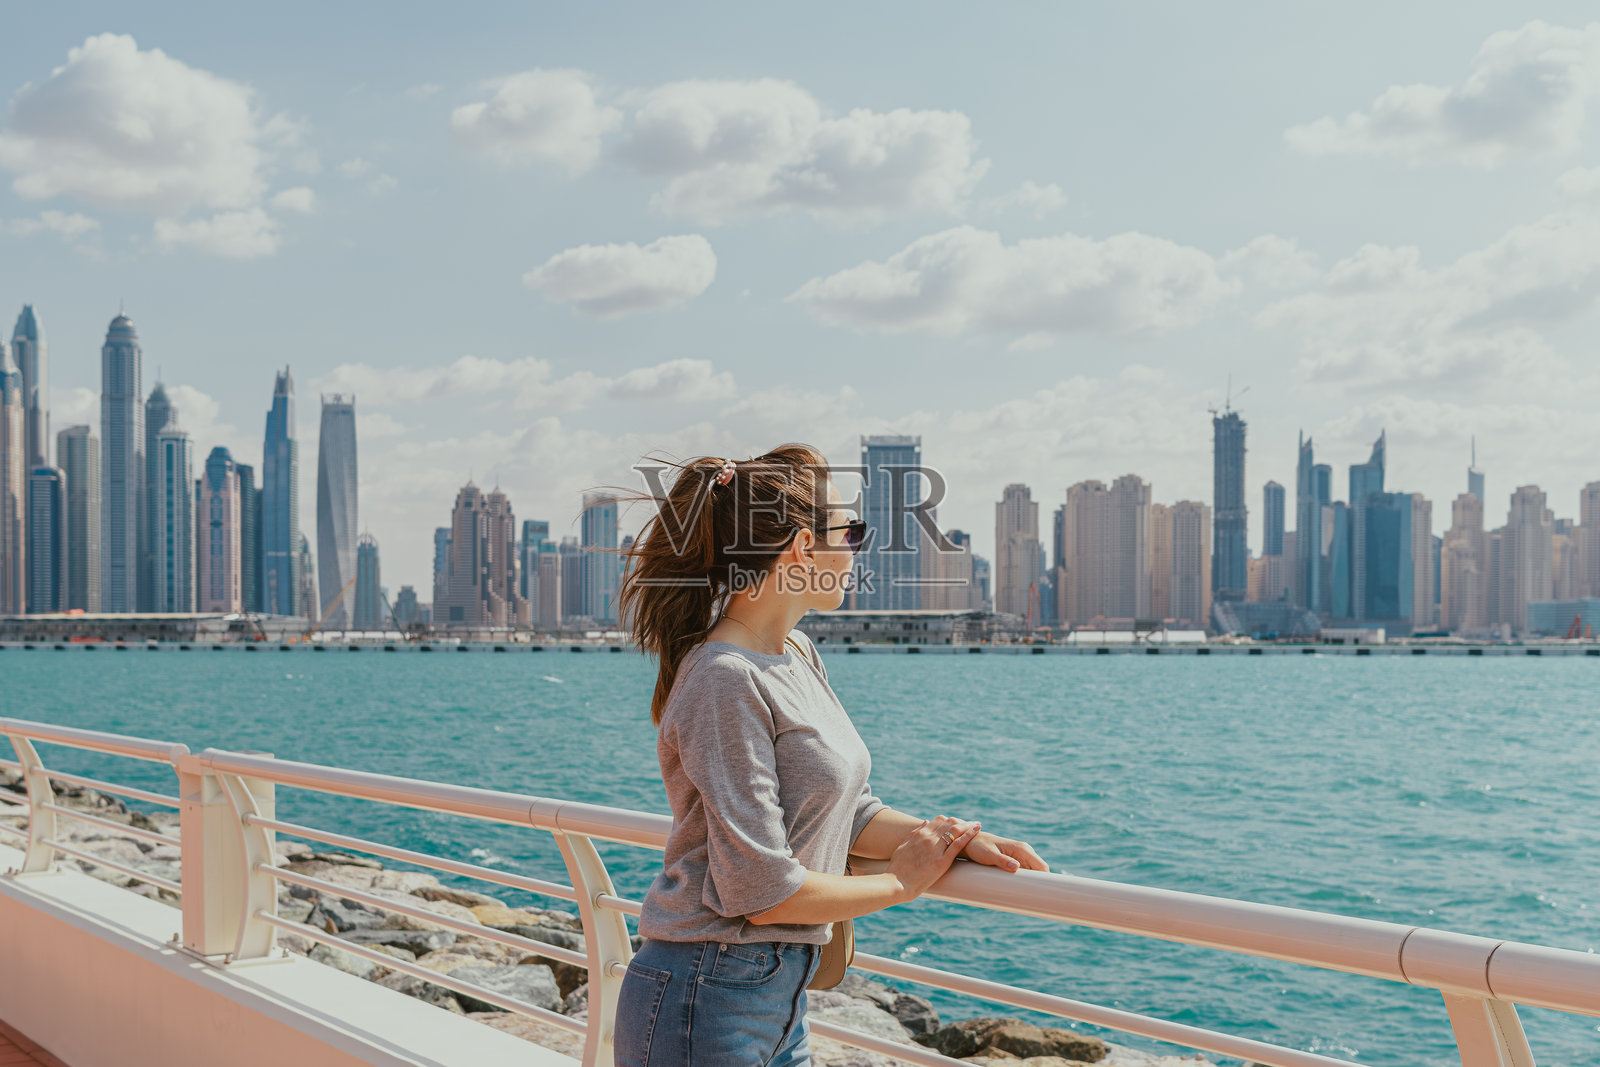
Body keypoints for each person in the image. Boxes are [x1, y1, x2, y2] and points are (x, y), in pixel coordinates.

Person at [610, 443, 1048, 1067]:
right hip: (704, 996)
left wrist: (949, 837)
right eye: (851, 531)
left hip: (778, 997)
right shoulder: (724, 678)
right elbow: (762, 892)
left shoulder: (796, 654)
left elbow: (850, 811)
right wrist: (903, 881)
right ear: (798, 548)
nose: (856, 549)